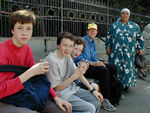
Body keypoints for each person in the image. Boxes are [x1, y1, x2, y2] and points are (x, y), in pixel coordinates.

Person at [0, 10, 72, 113]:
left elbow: (38, 77)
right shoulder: (2, 50)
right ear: (12, 30)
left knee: (61, 110)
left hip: (25, 93)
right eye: (20, 28)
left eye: (29, 29)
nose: (25, 33)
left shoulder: (27, 49)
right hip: (6, 99)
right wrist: (30, 72)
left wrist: (56, 97)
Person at [45, 32, 103, 113]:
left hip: (71, 88)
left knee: (96, 101)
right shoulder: (52, 60)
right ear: (58, 45)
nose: (68, 49)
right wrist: (75, 75)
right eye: (65, 45)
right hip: (61, 94)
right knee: (90, 109)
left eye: (71, 46)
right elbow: (56, 89)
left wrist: (93, 90)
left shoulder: (67, 55)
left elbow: (77, 72)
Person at [74, 22, 117, 111]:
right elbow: (78, 57)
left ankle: (113, 93)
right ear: (87, 31)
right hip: (83, 66)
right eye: (91, 30)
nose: (93, 32)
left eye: (94, 31)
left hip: (92, 64)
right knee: (104, 71)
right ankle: (104, 99)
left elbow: (94, 57)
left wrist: (99, 62)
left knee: (112, 67)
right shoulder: (82, 40)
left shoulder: (93, 42)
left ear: (96, 32)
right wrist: (94, 63)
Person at [105, 8, 144, 92]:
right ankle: (115, 85)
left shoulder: (134, 26)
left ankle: (127, 85)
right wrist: (107, 47)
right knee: (116, 67)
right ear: (120, 15)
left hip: (129, 52)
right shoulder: (115, 26)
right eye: (123, 13)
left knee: (128, 68)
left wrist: (141, 48)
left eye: (127, 14)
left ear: (129, 15)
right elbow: (108, 37)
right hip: (116, 52)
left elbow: (139, 38)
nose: (125, 15)